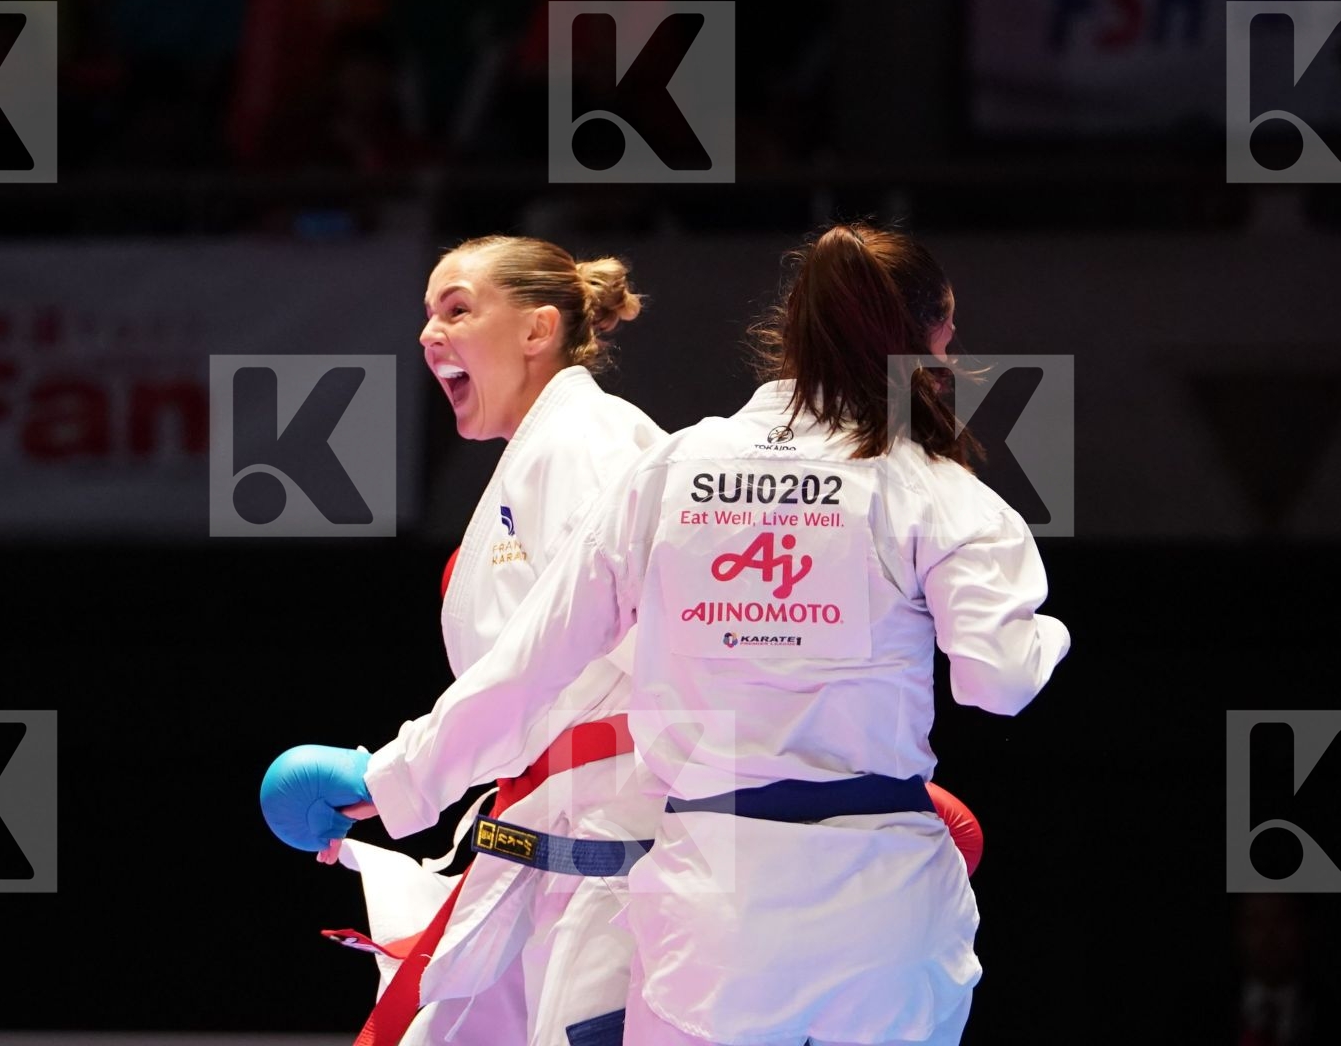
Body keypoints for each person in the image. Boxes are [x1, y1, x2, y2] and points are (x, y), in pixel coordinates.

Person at [333, 223, 1070, 1045]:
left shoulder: (673, 469)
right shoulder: (934, 488)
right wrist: (1044, 633)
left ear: (790, 330)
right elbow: (997, 684)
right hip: (880, 897)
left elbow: (530, 667)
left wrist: (392, 779)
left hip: (714, 905)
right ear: (927, 344)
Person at [262, 235, 664, 1046]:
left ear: (536, 330)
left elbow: (547, 662)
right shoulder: (542, 451)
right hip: (549, 833)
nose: (428, 334)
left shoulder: (590, 442)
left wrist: (393, 775)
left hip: (616, 840)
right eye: (426, 315)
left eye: (457, 309)